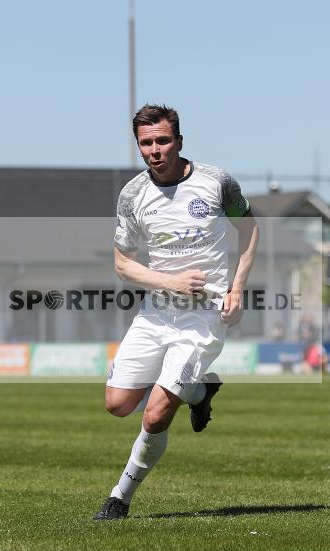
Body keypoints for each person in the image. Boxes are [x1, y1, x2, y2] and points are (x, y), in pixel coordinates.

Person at [93, 104, 259, 520]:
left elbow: (251, 228)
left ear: (179, 142)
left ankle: (120, 497)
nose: (155, 150)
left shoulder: (215, 182)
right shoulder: (133, 194)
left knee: (156, 410)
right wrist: (170, 282)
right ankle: (202, 391)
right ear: (138, 146)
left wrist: (236, 288)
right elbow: (122, 263)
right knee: (116, 403)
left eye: (163, 140)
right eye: (146, 143)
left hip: (204, 316)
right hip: (156, 312)